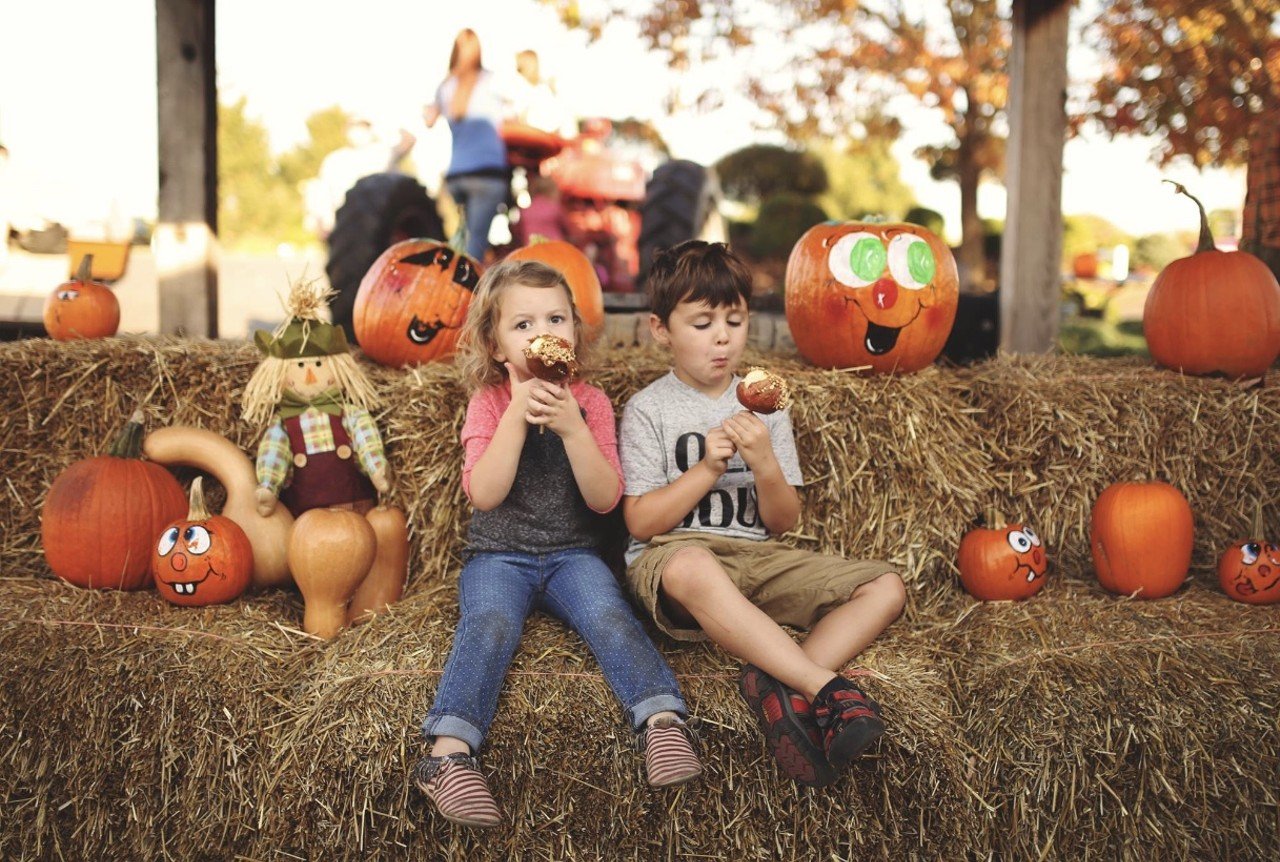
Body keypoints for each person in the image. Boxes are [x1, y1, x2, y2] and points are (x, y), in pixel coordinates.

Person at [413, 258, 702, 828]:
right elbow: (484, 494)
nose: (542, 333)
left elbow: (604, 499)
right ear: (495, 345)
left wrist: (572, 428)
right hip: (499, 556)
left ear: (574, 331)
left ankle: (662, 721)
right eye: (522, 325)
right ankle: (447, 755)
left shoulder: (588, 403)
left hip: (574, 555)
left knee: (608, 613)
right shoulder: (491, 403)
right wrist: (517, 420)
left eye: (556, 319)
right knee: (490, 621)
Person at [619, 240, 906, 788]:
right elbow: (640, 523)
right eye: (703, 323)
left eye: (735, 319)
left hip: (758, 556)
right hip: (676, 561)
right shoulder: (648, 409)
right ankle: (824, 689)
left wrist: (765, 463)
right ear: (661, 330)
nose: (723, 336)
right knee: (691, 564)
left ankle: (776, 684)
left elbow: (783, 522)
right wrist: (705, 469)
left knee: (886, 587)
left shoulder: (765, 405)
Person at [424, 29, 511, 262]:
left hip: (456, 176)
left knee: (460, 239)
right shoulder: (492, 81)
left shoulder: (445, 87)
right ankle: (467, 294)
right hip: (487, 175)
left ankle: (447, 287)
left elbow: (429, 121)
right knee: (476, 244)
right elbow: (512, 120)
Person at [511, 173, 568, 245]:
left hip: (531, 247)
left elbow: (518, 230)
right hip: (554, 247)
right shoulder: (554, 207)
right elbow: (568, 227)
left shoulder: (526, 210)